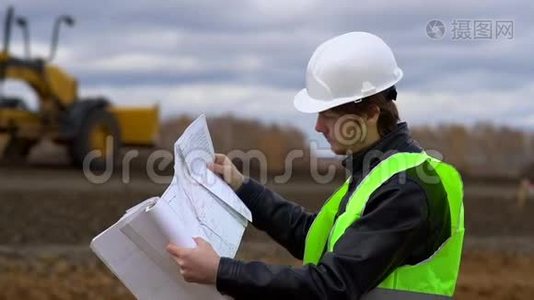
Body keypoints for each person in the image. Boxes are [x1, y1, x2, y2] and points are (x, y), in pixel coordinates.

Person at [167, 32, 465, 299]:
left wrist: (221, 272)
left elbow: (331, 284)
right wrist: (242, 187)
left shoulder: (407, 189)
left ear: (371, 113)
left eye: (330, 116)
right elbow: (311, 235)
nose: (318, 126)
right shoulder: (379, 174)